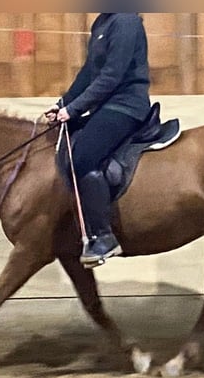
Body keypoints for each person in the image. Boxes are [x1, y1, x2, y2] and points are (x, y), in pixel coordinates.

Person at [45, 13, 152, 267]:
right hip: (105, 106)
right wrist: (63, 103)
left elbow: (111, 76)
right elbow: (89, 73)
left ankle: (104, 236)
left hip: (126, 106)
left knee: (81, 157)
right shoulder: (102, 22)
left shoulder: (126, 21)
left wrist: (74, 110)